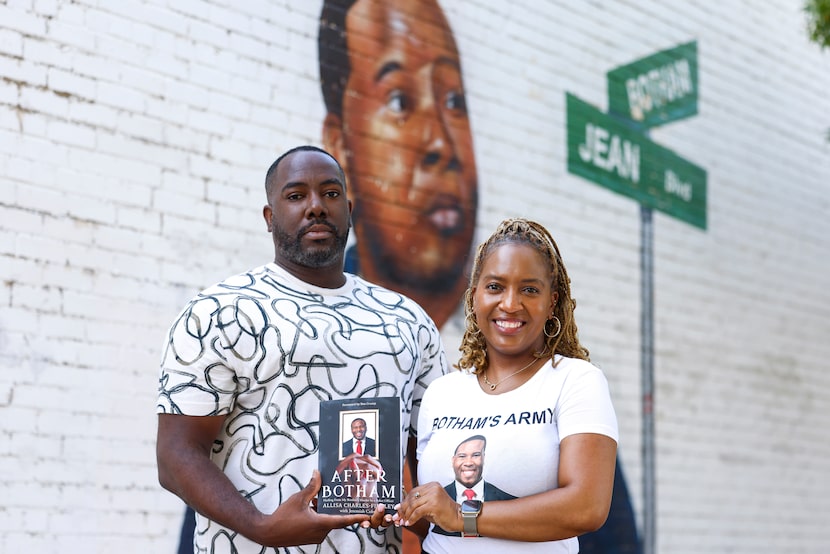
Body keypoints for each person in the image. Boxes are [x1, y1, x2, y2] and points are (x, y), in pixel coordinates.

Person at [157, 145, 448, 553]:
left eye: (330, 194)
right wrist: (260, 527)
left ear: (348, 209)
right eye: (296, 196)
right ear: (269, 217)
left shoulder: (408, 321)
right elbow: (175, 455)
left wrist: (422, 518)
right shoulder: (220, 311)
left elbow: (434, 453)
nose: (316, 207)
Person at [392, 218, 619, 553]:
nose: (510, 304)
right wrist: (399, 509)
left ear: (552, 302)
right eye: (495, 287)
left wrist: (462, 515)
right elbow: (436, 518)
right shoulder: (442, 393)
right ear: (474, 298)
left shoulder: (576, 381)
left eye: (529, 289)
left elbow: (587, 507)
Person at [318, 0, 479, 330]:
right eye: (399, 101)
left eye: (453, 101)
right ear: (341, 148)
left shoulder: (508, 335)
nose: (441, 145)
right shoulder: (317, 324)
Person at [431, 435, 515, 538]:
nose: (469, 462)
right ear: (453, 460)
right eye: (462, 456)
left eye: (475, 455)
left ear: (484, 458)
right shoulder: (438, 497)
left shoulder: (506, 499)